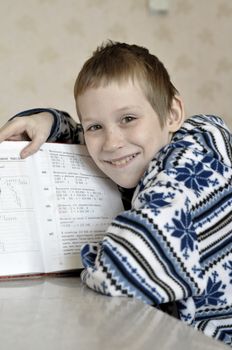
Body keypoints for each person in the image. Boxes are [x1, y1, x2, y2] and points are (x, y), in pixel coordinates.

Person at [0, 41, 232, 346]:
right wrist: (49, 121)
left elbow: (125, 273)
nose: (111, 142)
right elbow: (83, 139)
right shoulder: (160, 153)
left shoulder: (188, 166)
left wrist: (88, 255)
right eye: (95, 126)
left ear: (173, 113)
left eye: (128, 119)